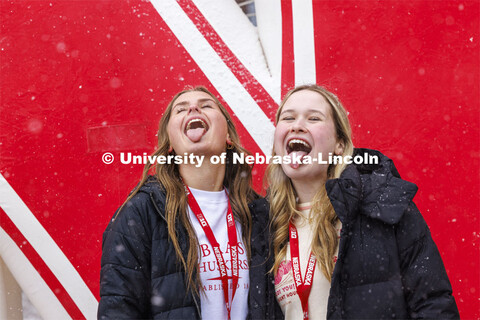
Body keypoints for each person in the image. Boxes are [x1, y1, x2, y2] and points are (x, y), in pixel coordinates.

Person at [249, 84, 459, 319]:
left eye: (314, 118)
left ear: (339, 145)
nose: (297, 125)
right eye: (288, 118)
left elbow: (433, 304)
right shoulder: (261, 225)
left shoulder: (383, 204)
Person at [98, 86, 257, 319]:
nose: (193, 108)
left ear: (228, 137)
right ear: (170, 144)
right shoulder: (142, 212)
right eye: (180, 110)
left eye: (206, 105)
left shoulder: (257, 212)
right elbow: (118, 309)